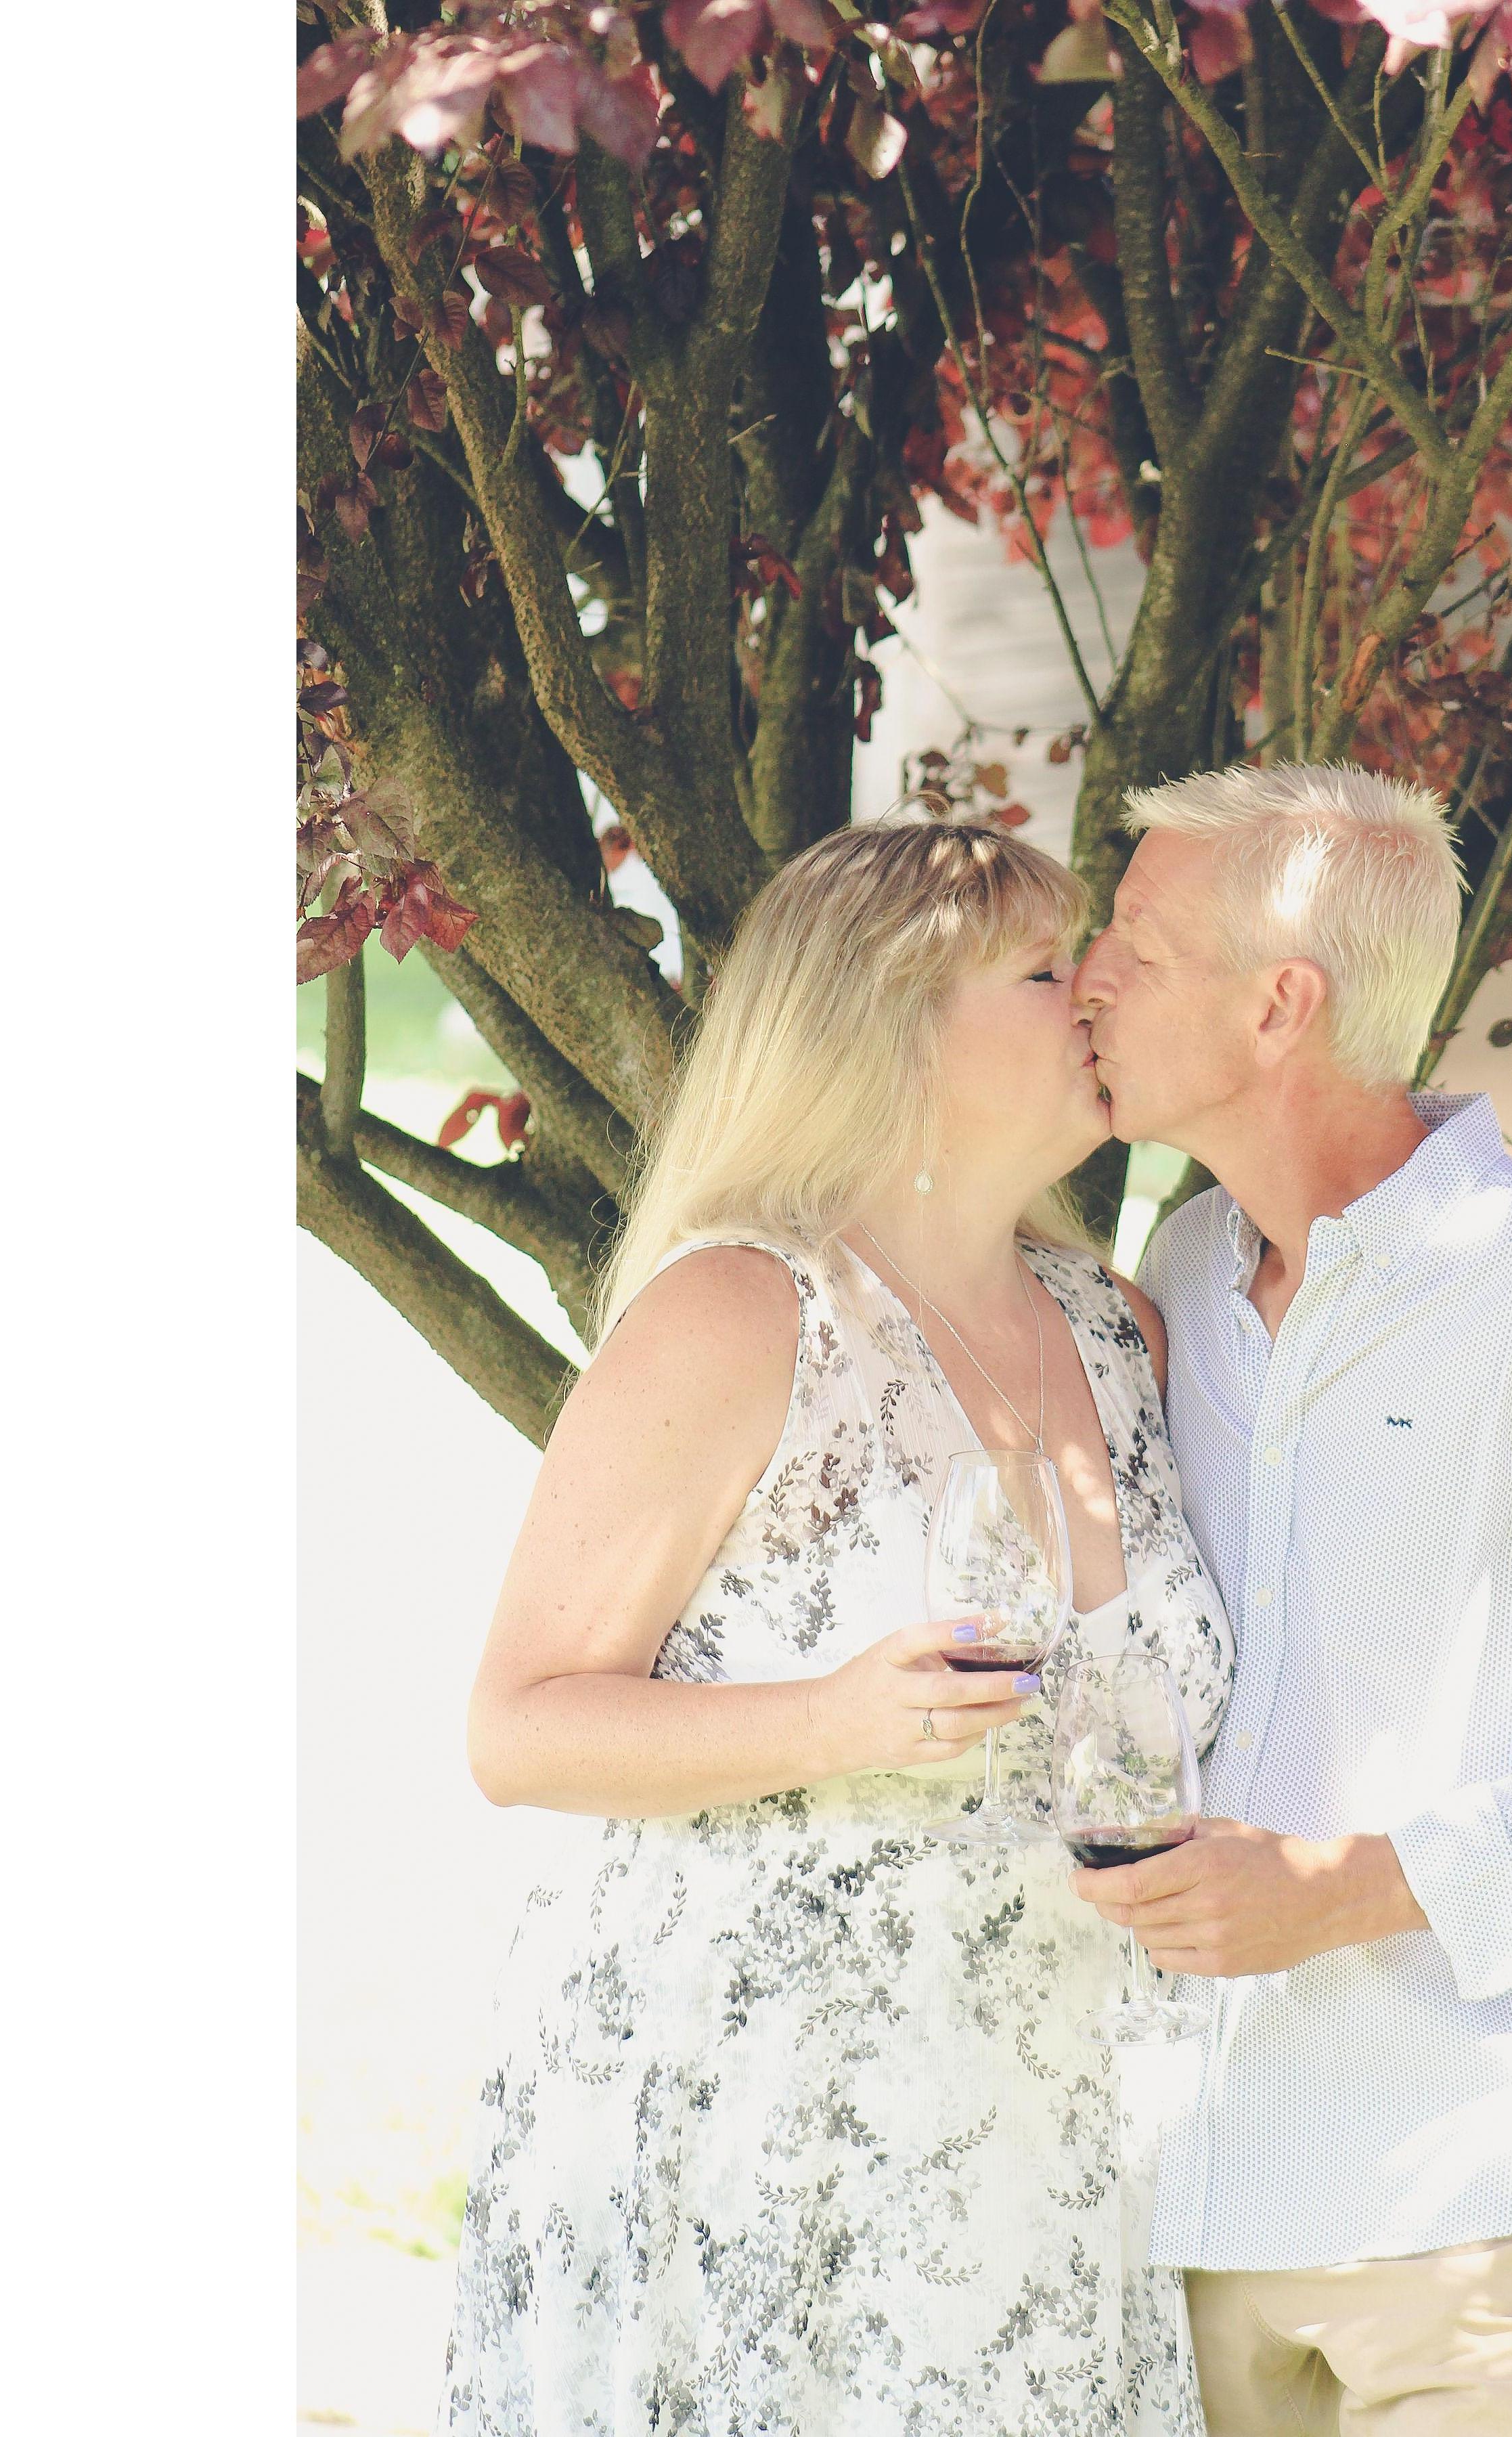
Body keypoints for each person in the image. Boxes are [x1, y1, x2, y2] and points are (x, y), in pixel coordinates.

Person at [436, 812, 1235, 2437]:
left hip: (1058, 2138)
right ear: (893, 1023)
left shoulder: (1124, 1324)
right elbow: (518, 1726)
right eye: (1038, 966)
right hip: (763, 2133)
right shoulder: (737, 1315)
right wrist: (834, 1724)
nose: (1090, 989)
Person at [1067, 763, 1512, 2436]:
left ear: (1279, 1006)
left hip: (1462, 2194)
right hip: (1185, 2192)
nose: (1089, 977)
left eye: (1136, 943)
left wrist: (1346, 1888)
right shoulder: (1184, 1273)